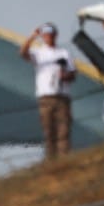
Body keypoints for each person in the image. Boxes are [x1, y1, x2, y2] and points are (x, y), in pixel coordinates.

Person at [20, 22, 76, 159]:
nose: (48, 37)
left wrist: (65, 76)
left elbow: (73, 74)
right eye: (45, 35)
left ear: (55, 35)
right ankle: (51, 161)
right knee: (49, 131)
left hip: (62, 95)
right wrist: (33, 36)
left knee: (63, 131)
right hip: (45, 97)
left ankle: (64, 160)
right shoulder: (39, 52)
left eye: (51, 34)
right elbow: (23, 53)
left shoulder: (63, 53)